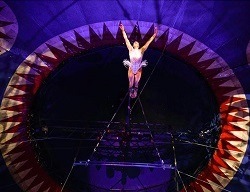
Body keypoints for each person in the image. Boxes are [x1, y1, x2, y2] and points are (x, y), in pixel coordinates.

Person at [119, 24, 158, 98]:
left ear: (139, 45)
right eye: (134, 42)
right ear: (133, 45)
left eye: (137, 42)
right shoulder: (130, 49)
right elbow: (126, 39)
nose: (136, 42)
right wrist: (123, 30)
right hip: (132, 67)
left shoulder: (142, 50)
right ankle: (132, 92)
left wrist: (154, 34)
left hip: (138, 68)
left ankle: (133, 93)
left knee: (135, 83)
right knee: (131, 84)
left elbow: (148, 42)